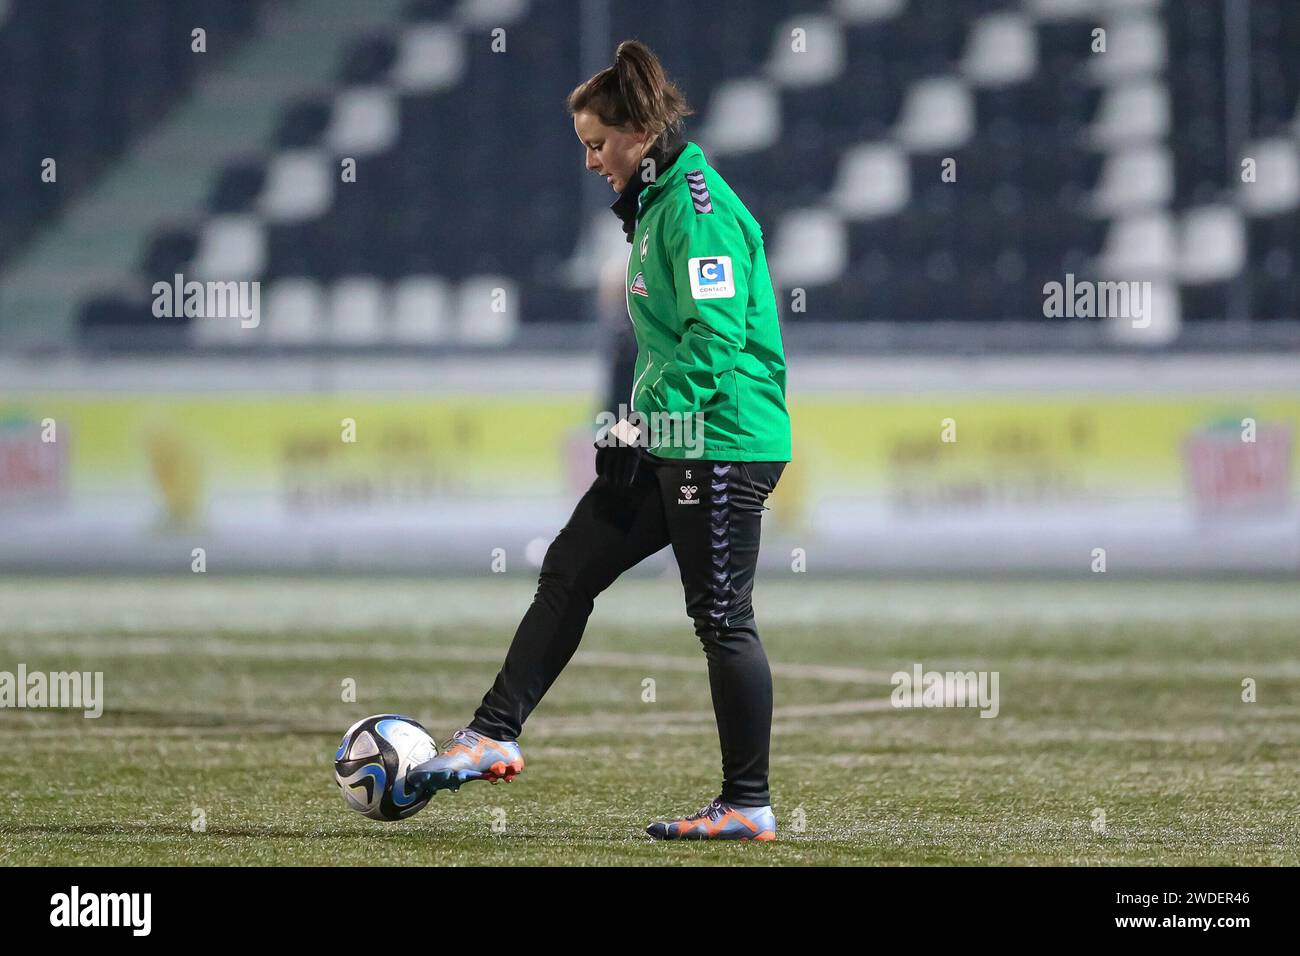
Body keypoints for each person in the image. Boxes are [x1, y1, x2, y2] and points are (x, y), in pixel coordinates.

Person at [412, 40, 792, 841]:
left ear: (638, 132)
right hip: (675, 437)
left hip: (721, 440)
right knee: (572, 565)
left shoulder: (695, 206)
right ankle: (491, 733)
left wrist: (643, 422)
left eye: (595, 143)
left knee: (722, 619)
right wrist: (638, 421)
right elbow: (670, 346)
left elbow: (717, 344)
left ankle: (747, 804)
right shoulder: (655, 207)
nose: (589, 161)